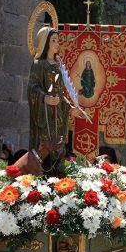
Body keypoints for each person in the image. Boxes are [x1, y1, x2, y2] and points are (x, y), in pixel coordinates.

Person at [27, 27, 82, 170]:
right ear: (45, 42)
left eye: (58, 40)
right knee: (45, 149)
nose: (57, 43)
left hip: (57, 115)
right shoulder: (38, 65)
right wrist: (44, 98)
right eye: (54, 40)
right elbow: (32, 88)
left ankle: (57, 178)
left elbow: (61, 94)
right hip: (44, 115)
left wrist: (70, 108)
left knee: (58, 148)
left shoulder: (57, 66)